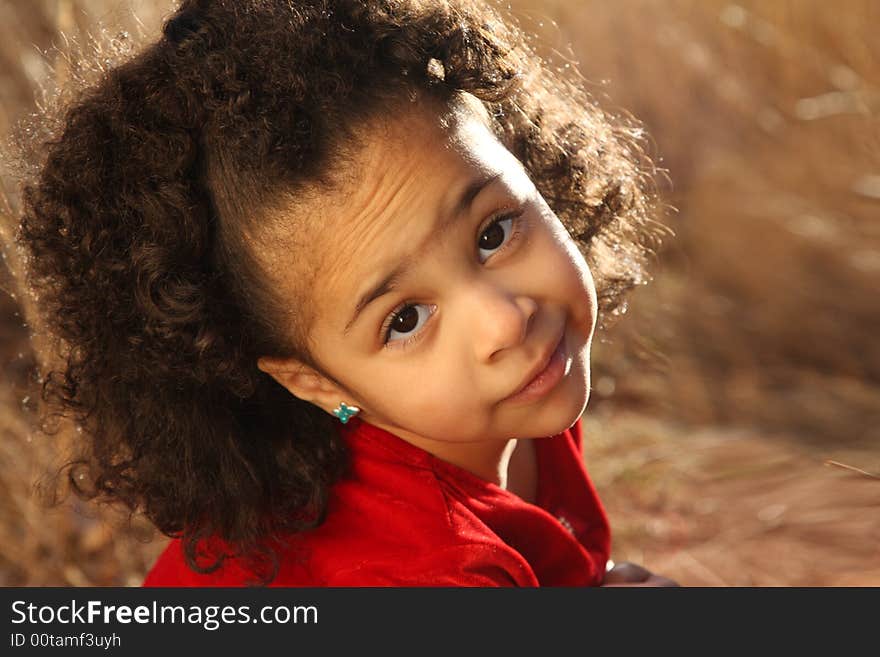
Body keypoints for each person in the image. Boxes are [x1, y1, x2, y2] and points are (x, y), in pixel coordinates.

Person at [13, 0, 675, 586]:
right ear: (314, 382)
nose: (504, 319)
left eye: (494, 232)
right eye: (407, 318)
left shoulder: (508, 396)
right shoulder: (424, 576)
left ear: (519, 159)